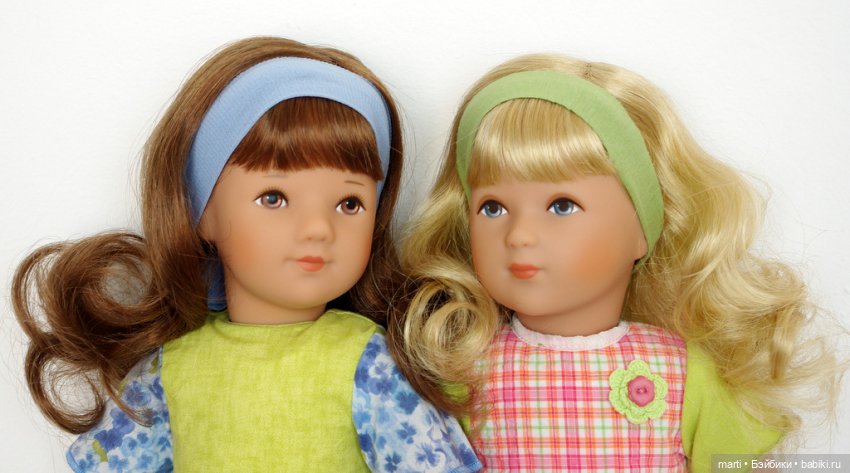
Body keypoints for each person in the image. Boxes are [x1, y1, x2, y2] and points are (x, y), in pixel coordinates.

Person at [12, 36, 481, 472]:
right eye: (274, 198)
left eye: (349, 203)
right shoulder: (171, 369)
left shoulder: (371, 364)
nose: (319, 228)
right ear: (203, 213)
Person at [396, 54, 840, 471]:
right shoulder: (465, 374)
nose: (519, 235)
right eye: (492, 208)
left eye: (562, 205)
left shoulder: (683, 373)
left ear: (642, 229)